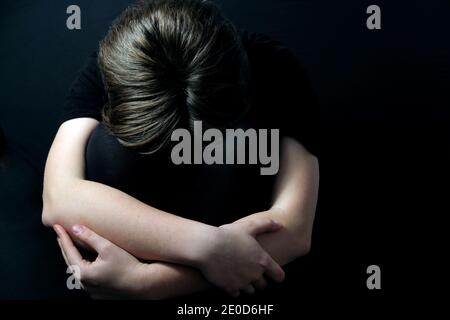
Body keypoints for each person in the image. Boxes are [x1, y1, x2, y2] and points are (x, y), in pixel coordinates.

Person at [43, 0, 319, 299]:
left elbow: (294, 231)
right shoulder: (120, 61)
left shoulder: (273, 65)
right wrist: (207, 245)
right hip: (160, 205)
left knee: (253, 140)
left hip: (235, 235)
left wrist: (147, 283)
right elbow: (59, 197)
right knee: (102, 146)